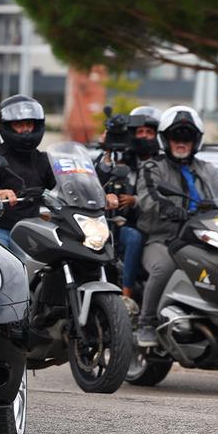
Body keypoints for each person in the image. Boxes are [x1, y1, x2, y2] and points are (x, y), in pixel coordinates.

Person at [135, 105, 218, 347]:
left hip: (204, 238)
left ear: (196, 140)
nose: (181, 142)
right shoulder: (153, 167)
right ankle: (146, 323)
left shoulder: (206, 169)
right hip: (163, 238)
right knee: (164, 267)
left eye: (187, 137)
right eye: (176, 136)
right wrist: (170, 209)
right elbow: (147, 197)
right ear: (165, 139)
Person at [0, 95, 57, 247]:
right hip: (2, 228)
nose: (25, 130)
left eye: (29, 124)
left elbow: (63, 183)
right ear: (7, 126)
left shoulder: (42, 159)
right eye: (19, 124)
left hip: (34, 227)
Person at [96, 106, 162, 297]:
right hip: (113, 225)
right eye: (139, 132)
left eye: (149, 132)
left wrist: (135, 200)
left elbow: (162, 195)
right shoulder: (122, 160)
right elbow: (95, 183)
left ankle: (127, 295)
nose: (143, 136)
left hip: (153, 226)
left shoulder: (164, 163)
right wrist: (107, 150)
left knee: (134, 237)